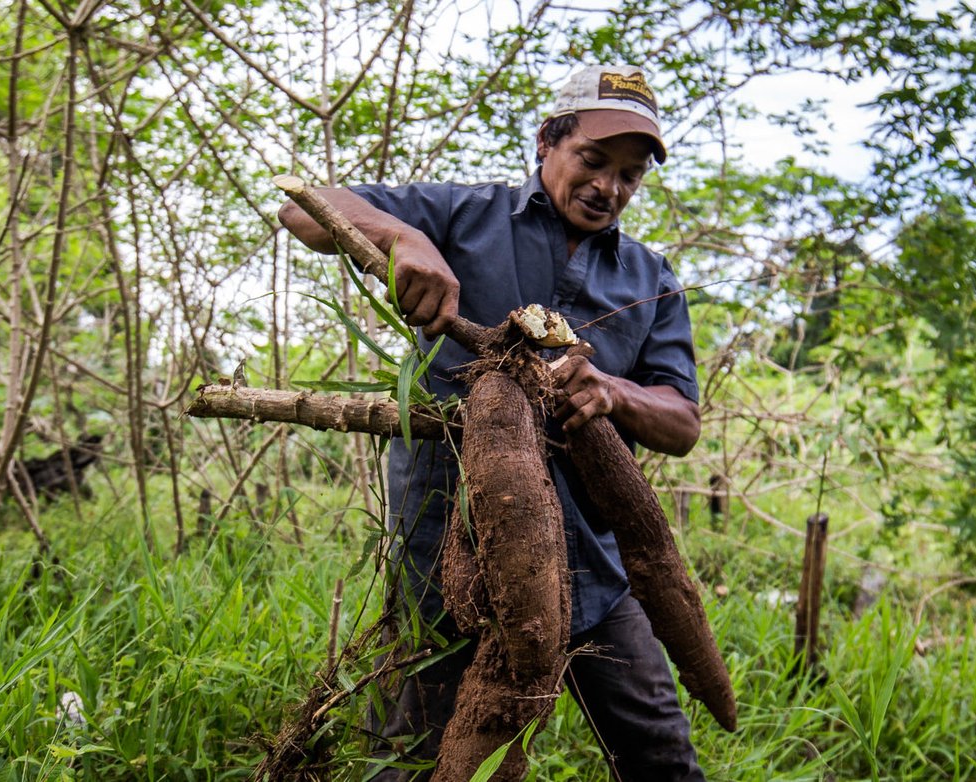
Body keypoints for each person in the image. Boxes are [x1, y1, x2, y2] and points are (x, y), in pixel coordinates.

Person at [278, 64, 705, 781]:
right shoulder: (465, 214)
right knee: (412, 760)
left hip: (591, 571)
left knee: (661, 756)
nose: (610, 187)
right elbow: (306, 206)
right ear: (548, 143)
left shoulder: (650, 279)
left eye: (631, 176)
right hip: (446, 566)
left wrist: (614, 393)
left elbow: (683, 422)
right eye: (594, 162)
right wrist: (402, 241)